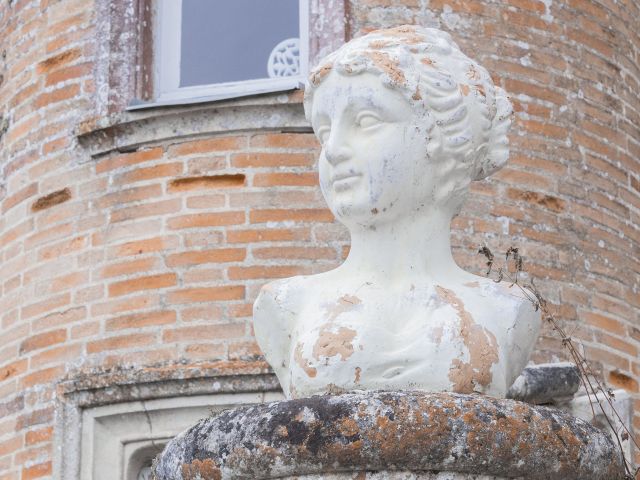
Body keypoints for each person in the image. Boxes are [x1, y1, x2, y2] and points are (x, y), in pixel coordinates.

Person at [253, 25, 541, 399]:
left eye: (366, 122)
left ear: (443, 139)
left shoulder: (508, 308)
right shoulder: (285, 305)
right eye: (324, 132)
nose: (334, 149)